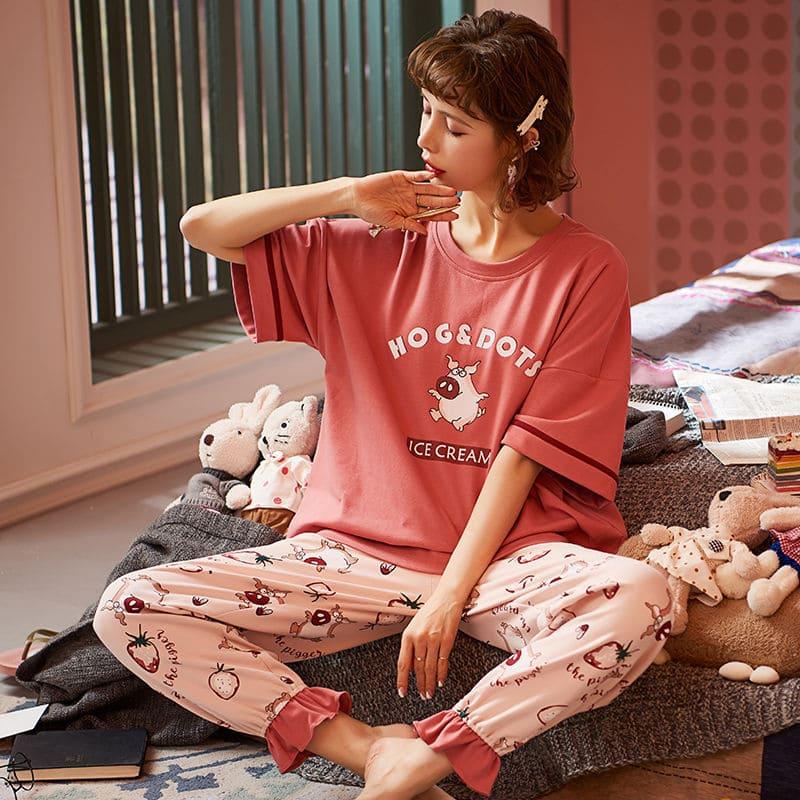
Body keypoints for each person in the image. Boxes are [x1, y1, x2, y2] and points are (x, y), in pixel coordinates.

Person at [93, 10, 673, 800]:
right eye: (426, 110)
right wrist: (346, 195)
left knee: (643, 598)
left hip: (506, 562)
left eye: (455, 125)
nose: (426, 138)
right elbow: (203, 226)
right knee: (129, 606)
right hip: (352, 555)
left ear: (521, 138)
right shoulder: (378, 243)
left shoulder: (586, 269)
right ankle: (370, 752)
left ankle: (435, 752)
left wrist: (449, 596)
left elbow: (524, 452)